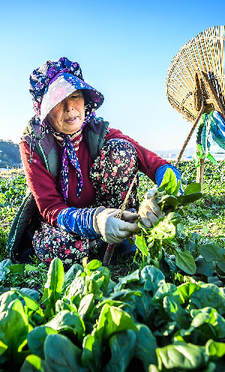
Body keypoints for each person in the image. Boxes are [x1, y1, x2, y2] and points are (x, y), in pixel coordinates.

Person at [12, 57, 182, 265]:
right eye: (58, 101)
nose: (69, 107)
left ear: (85, 100)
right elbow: (50, 207)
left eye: (75, 96)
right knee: (54, 245)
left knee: (122, 150)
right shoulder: (34, 145)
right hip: (70, 222)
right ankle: (113, 240)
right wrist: (96, 221)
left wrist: (160, 198)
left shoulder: (99, 131)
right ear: (45, 110)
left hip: (115, 214)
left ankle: (123, 228)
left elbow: (155, 164)